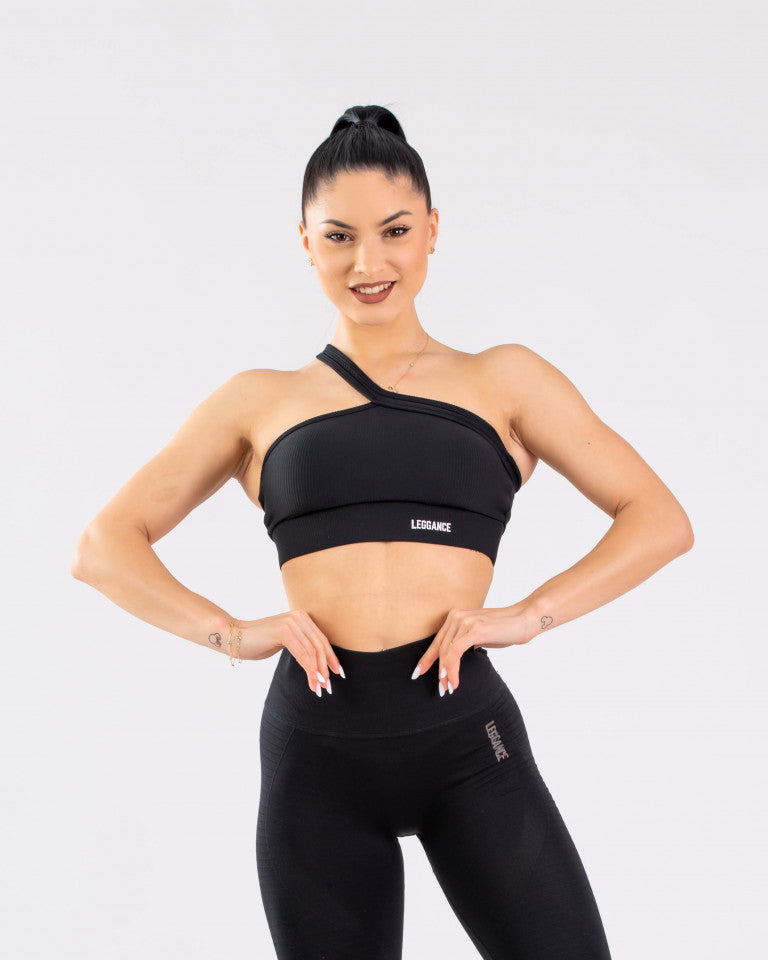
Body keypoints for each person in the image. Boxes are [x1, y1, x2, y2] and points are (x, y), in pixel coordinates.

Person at [71, 103, 694, 960]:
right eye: (339, 238)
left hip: (467, 744)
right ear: (305, 243)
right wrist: (231, 632)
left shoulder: (504, 381)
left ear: (432, 230)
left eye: (395, 231)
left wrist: (529, 614)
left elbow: (660, 519)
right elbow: (104, 545)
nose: (369, 263)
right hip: (317, 758)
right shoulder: (259, 401)